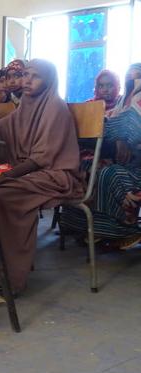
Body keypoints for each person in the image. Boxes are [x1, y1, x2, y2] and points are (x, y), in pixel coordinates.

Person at [0, 59, 83, 293]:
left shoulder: (55, 107)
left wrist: (6, 176)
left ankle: (8, 278)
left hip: (55, 174)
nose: (27, 80)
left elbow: (42, 158)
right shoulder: (25, 106)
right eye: (26, 75)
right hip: (31, 171)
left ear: (49, 80)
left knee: (0, 196)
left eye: (35, 76)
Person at [60, 64, 141, 248]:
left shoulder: (127, 109)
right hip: (91, 154)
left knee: (104, 171)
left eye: (110, 85)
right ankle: (88, 227)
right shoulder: (89, 108)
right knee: (81, 169)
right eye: (101, 86)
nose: (105, 90)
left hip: (122, 159)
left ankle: (113, 229)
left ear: (118, 87)